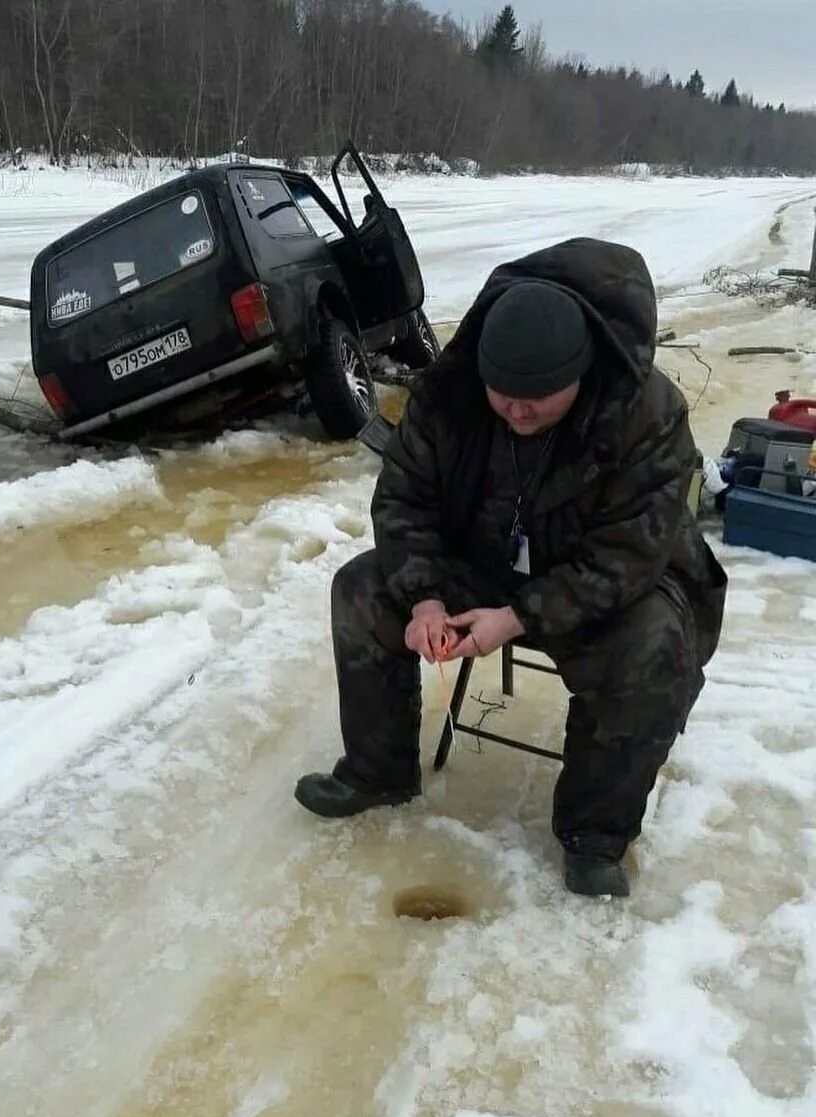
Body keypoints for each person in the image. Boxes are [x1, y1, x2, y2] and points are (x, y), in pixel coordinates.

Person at [295, 238, 727, 898]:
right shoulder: (450, 391)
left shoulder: (648, 414)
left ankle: (595, 836)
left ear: (583, 373)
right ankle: (376, 772)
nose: (518, 411)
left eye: (540, 399)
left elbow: (627, 558)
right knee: (360, 588)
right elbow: (405, 496)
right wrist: (425, 601)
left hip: (603, 586)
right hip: (485, 560)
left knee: (654, 646)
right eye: (504, 395)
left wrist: (519, 617)